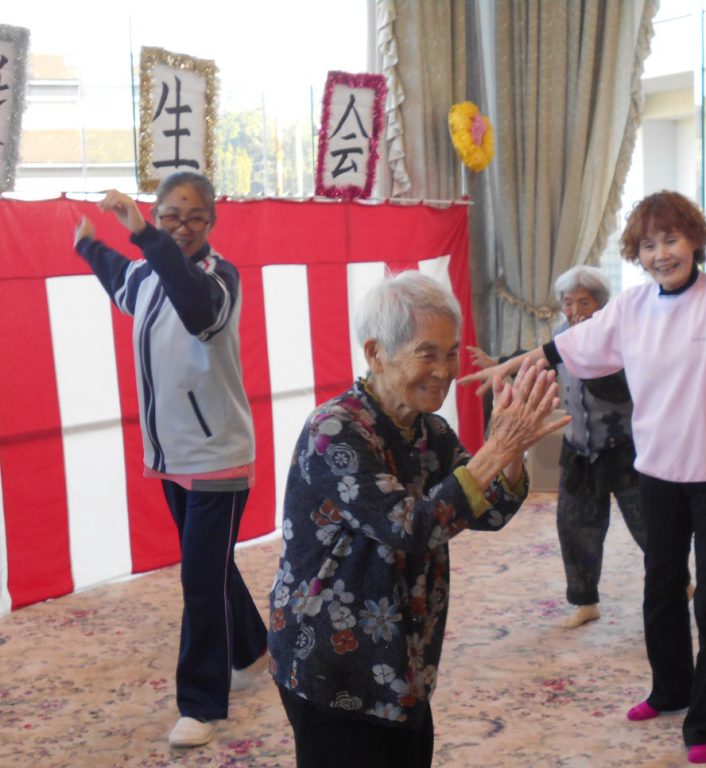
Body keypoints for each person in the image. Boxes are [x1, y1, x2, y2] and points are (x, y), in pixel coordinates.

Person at [461, 191, 706, 764]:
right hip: (658, 473)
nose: (661, 254)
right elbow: (569, 346)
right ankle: (671, 689)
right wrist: (513, 364)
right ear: (637, 253)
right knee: (661, 590)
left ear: (695, 240)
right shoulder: (631, 308)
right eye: (649, 245)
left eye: (672, 239)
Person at [268, 270, 568, 768]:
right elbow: (409, 527)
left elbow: (491, 509)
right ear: (375, 352)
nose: (444, 371)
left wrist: (512, 452)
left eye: (450, 354)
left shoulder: (431, 431)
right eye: (427, 354)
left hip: (404, 658)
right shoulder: (334, 430)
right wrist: (496, 450)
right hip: (332, 659)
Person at [72, 173, 268, 748]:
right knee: (210, 564)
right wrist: (89, 246)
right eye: (170, 217)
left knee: (199, 578)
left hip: (218, 456)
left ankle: (201, 703)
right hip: (170, 455)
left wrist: (141, 233)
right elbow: (122, 279)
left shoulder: (219, 278)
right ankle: (252, 648)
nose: (182, 228)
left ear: (211, 222)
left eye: (194, 217)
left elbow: (196, 309)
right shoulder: (145, 274)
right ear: (158, 215)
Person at [472, 265, 646, 629]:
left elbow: (622, 390)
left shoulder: (618, 338)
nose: (574, 310)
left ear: (601, 305)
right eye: (568, 303)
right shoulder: (561, 336)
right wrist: (499, 364)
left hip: (624, 449)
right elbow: (537, 357)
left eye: (584, 302)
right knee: (574, 526)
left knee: (647, 524)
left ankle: (678, 580)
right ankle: (585, 602)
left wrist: (587, 351)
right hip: (579, 449)